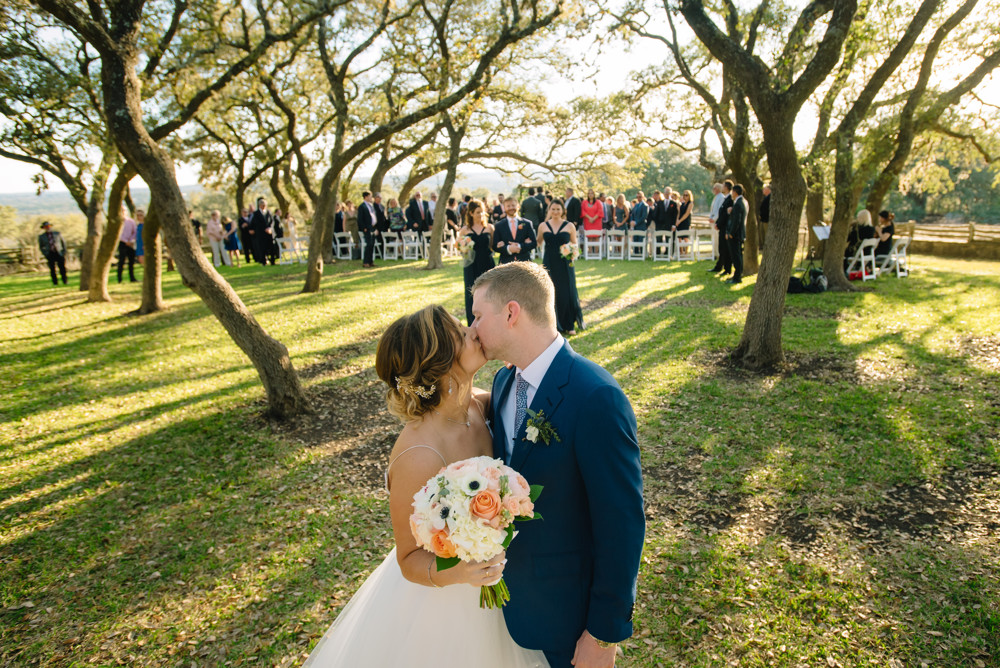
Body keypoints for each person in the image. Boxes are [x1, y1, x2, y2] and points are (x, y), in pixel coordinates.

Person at [304, 305, 547, 668]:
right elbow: (408, 558)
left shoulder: (482, 403)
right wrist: (462, 572)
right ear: (439, 365)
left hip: (507, 583)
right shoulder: (417, 454)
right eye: (460, 333)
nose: (473, 331)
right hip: (447, 605)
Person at [470, 262, 644, 668]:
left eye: (477, 315)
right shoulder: (502, 383)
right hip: (512, 606)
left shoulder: (596, 396)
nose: (472, 327)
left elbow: (623, 524)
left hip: (571, 618)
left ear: (511, 313)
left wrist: (604, 634)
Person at [539, 200, 584, 335]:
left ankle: (569, 324)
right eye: (553, 209)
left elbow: (574, 245)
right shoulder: (543, 226)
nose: (555, 212)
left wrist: (571, 252)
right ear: (549, 210)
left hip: (565, 263)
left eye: (558, 209)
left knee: (566, 291)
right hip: (549, 262)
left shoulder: (569, 225)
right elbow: (538, 242)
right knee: (550, 291)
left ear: (563, 210)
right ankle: (553, 325)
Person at [458, 199, 495, 326]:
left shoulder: (490, 228)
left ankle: (489, 321)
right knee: (471, 293)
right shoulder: (465, 230)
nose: (481, 215)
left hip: (487, 263)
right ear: (471, 213)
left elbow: (492, 245)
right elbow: (460, 247)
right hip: (471, 265)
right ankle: (472, 323)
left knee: (489, 292)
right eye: (478, 212)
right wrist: (464, 248)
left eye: (483, 212)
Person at [492, 197, 537, 264]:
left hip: (524, 262)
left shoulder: (527, 223)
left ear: (518, 206)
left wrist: (519, 246)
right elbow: (495, 246)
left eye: (513, 205)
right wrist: (508, 248)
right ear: (504, 208)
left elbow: (534, 243)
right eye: (508, 206)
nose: (511, 208)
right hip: (505, 262)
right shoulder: (499, 225)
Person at [708, 181, 734, 275]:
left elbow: (724, 215)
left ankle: (726, 268)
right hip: (720, 225)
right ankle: (720, 266)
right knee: (721, 247)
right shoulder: (725, 198)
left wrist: (718, 223)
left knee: (724, 248)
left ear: (726, 187)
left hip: (724, 227)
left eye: (723, 186)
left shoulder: (729, 199)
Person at [726, 184, 748, 284]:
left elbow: (737, 221)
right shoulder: (739, 202)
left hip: (736, 234)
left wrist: (731, 233)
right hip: (738, 233)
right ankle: (737, 275)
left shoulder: (739, 203)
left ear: (735, 192)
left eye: (732, 192)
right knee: (737, 255)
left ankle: (737, 277)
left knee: (736, 256)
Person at [38, 221, 68, 286]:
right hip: (50, 253)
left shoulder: (57, 234)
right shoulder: (42, 236)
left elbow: (63, 243)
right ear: (44, 228)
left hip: (59, 253)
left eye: (48, 226)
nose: (48, 228)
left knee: (62, 268)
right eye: (46, 227)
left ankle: (65, 281)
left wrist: (63, 252)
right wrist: (46, 254)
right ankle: (55, 283)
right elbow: (41, 247)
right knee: (52, 269)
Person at [249, 197, 276, 265]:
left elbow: (272, 221)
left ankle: (272, 261)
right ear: (259, 205)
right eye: (262, 205)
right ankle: (264, 261)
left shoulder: (269, 212)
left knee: (271, 246)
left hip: (269, 233)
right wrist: (264, 229)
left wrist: (270, 228)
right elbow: (255, 223)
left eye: (265, 205)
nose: (264, 206)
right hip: (261, 233)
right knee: (262, 247)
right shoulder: (256, 214)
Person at [357, 190, 379, 268]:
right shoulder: (362, 206)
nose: (371, 198)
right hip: (367, 228)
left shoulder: (371, 205)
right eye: (370, 196)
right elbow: (360, 219)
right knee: (368, 244)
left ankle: (370, 261)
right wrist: (364, 228)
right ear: (366, 197)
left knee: (372, 244)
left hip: (373, 227)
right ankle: (365, 262)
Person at [117, 209, 138, 283]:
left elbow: (135, 232)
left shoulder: (131, 221)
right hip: (122, 243)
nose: (123, 212)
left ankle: (132, 278)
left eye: (124, 210)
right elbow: (117, 234)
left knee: (131, 261)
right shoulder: (117, 222)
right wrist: (125, 241)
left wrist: (131, 240)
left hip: (131, 243)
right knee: (121, 261)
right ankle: (119, 279)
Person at [707, 183, 724, 258]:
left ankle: (717, 253)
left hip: (717, 221)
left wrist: (714, 219)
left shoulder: (721, 197)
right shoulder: (716, 197)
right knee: (713, 237)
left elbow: (719, 210)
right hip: (713, 220)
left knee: (717, 238)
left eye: (715, 188)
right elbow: (713, 209)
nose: (713, 189)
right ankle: (714, 252)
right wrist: (710, 217)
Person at [758, 184, 771, 250]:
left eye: (764, 189)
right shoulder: (766, 198)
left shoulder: (770, 198)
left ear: (768, 190)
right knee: (762, 234)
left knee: (766, 235)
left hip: (766, 220)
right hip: (763, 219)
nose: (763, 190)